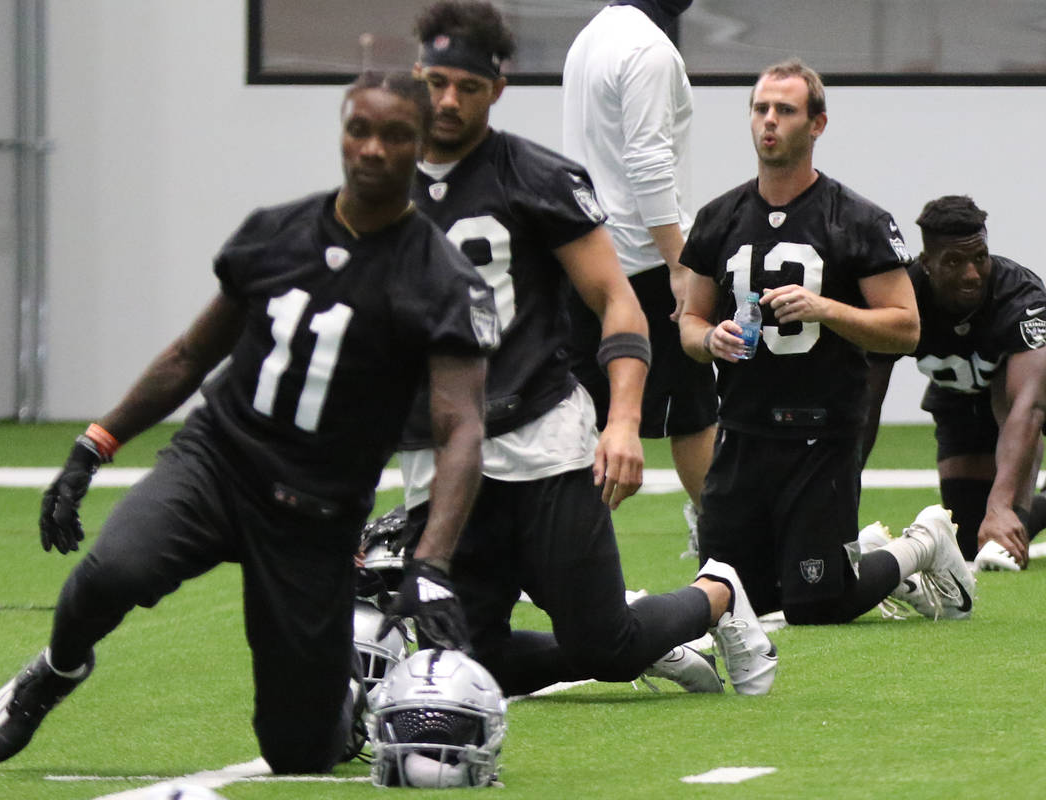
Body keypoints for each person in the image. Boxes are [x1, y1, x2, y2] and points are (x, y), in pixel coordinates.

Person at [0, 72, 499, 773]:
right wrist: (95, 442)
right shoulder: (273, 233)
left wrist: (431, 564)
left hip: (316, 515)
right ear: (342, 131)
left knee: (300, 754)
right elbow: (191, 354)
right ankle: (58, 670)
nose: (372, 149)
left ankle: (343, 687)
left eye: (395, 135)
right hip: (220, 464)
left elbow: (461, 425)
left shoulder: (441, 279)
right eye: (359, 130)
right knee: (110, 572)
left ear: (420, 143)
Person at [388, 0, 777, 698]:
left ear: (497, 89)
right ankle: (646, 638)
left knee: (607, 644)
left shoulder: (535, 176)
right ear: (414, 74)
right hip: (442, 453)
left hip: (538, 439)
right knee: (479, 665)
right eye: (436, 81)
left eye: (468, 87)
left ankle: (717, 591)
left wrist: (623, 421)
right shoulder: (379, 186)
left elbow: (616, 301)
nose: (447, 100)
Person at [677, 59, 975, 624]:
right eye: (761, 109)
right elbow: (688, 323)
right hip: (741, 434)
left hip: (821, 435)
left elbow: (906, 326)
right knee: (736, 597)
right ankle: (859, 551)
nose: (769, 121)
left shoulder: (855, 219)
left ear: (817, 125)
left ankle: (921, 544)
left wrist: (826, 309)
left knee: (816, 605)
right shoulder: (718, 218)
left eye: (785, 110)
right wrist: (708, 338)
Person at [863, 195, 1046, 570]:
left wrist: (1000, 506)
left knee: (1014, 390)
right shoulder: (903, 297)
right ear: (927, 263)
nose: (971, 274)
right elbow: (866, 402)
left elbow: (1026, 408)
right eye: (953, 261)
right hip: (956, 390)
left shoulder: (1018, 293)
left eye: (979, 257)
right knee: (971, 543)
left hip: (1027, 385)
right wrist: (841, 489)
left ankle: (1017, 503)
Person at [561, 0, 717, 556]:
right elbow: (649, 163)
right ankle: (723, 546)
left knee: (582, 420)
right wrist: (679, 264)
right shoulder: (649, 51)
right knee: (694, 415)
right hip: (644, 262)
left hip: (589, 259)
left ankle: (567, 553)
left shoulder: (590, 38)